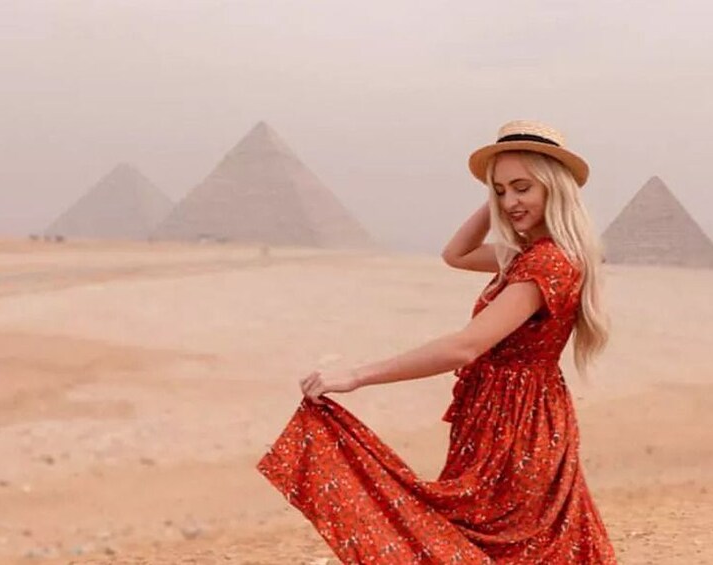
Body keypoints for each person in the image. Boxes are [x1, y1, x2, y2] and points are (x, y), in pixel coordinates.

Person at [258, 120, 617, 564]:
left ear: (554, 187)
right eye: (500, 191)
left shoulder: (548, 263)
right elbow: (457, 255)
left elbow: (465, 347)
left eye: (522, 187)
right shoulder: (528, 254)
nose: (510, 201)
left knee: (498, 544)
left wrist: (356, 375)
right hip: (504, 415)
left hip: (517, 428)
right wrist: (497, 200)